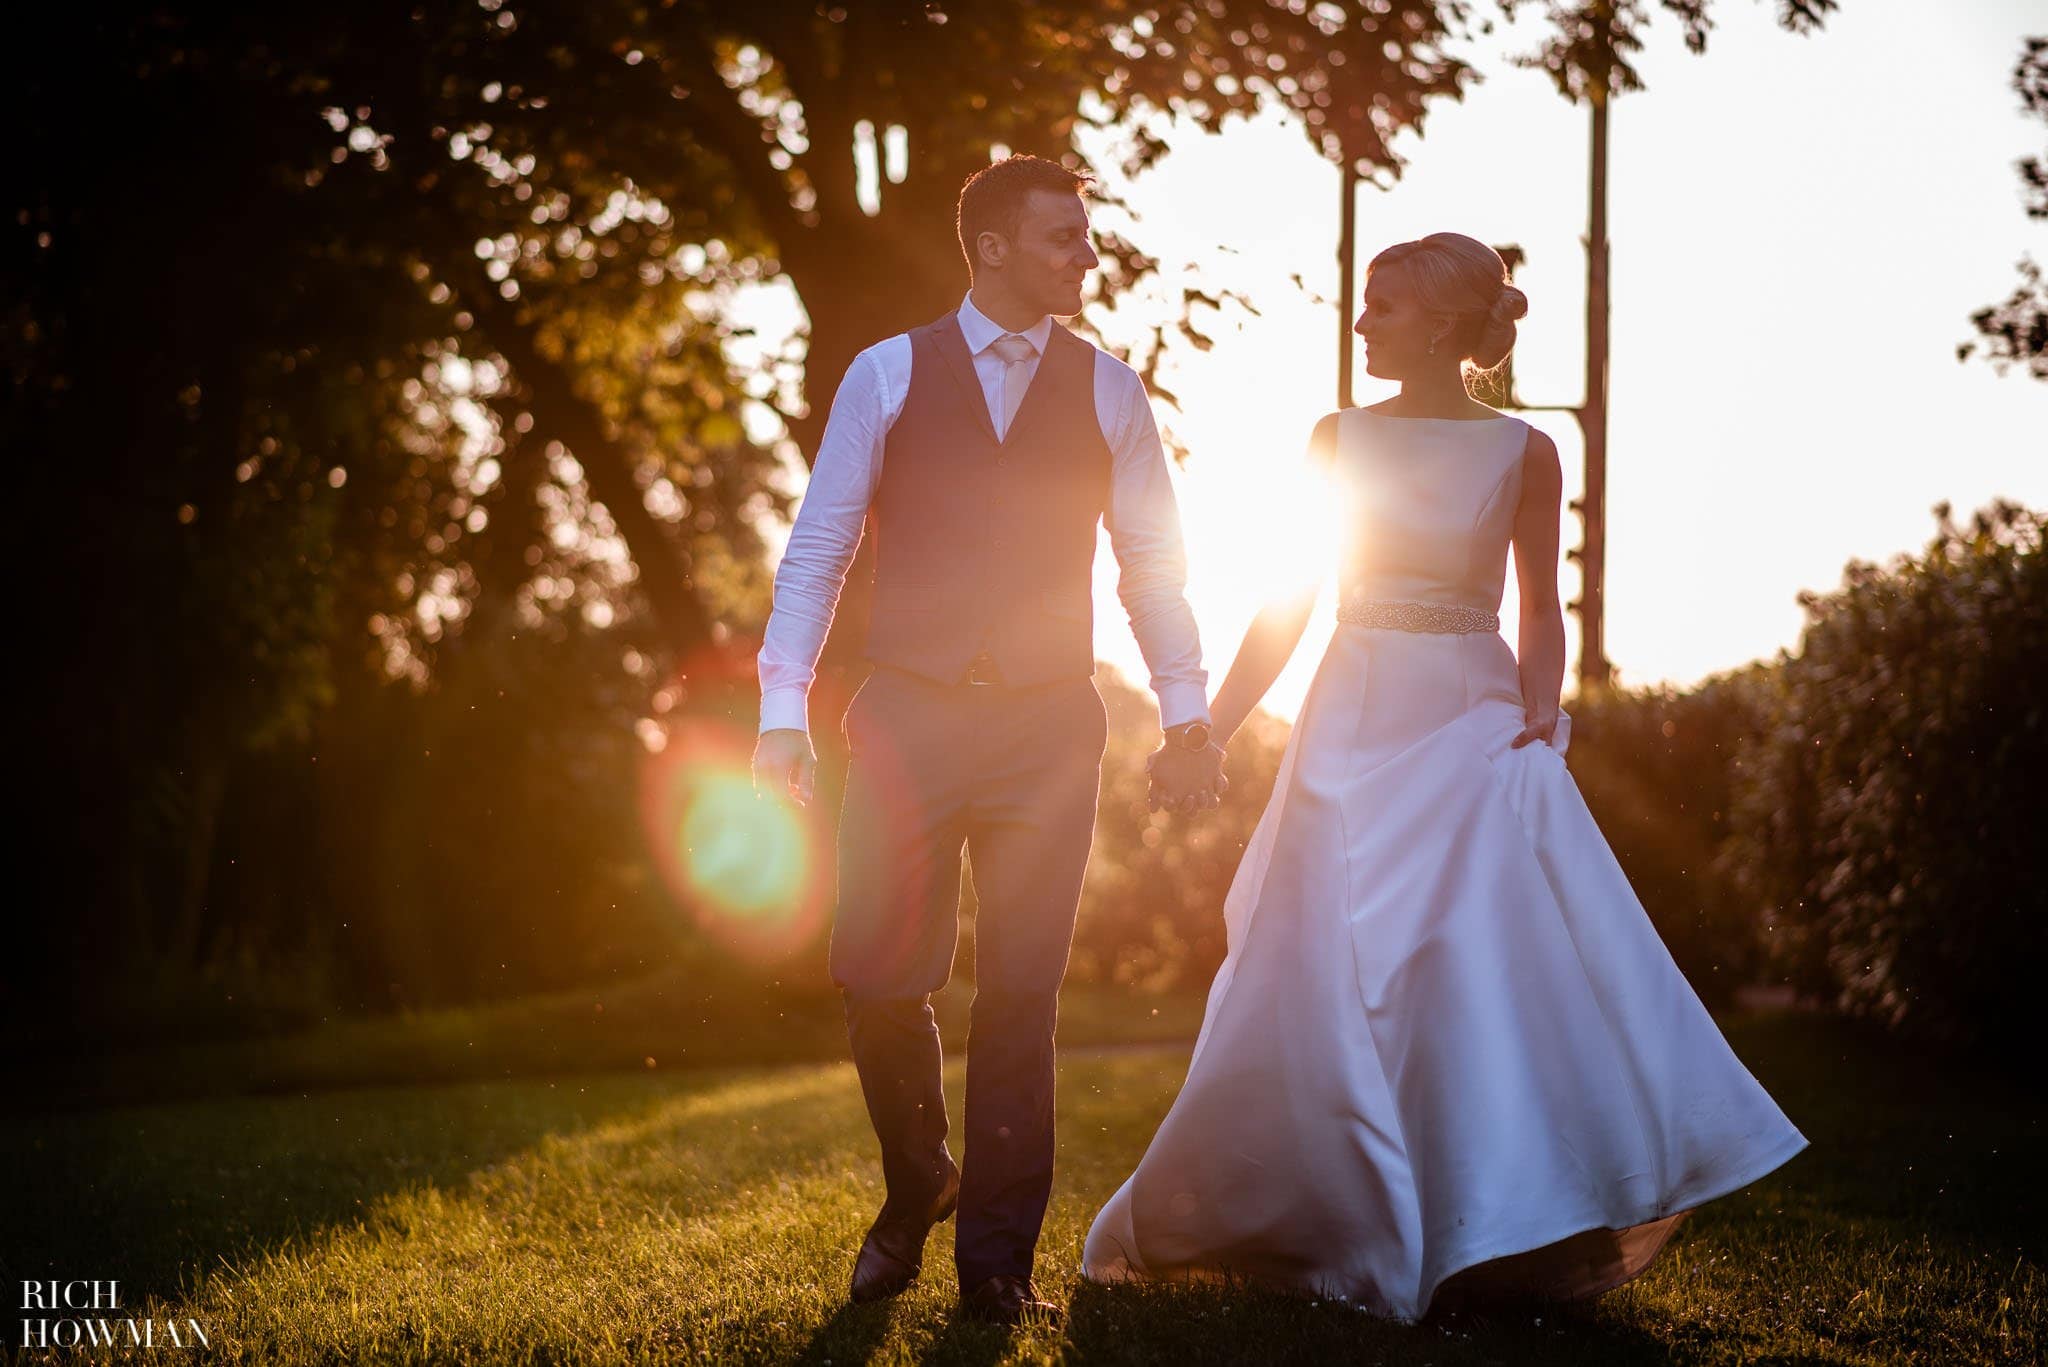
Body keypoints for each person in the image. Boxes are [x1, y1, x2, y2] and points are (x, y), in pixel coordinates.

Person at [1086, 232, 1809, 1321]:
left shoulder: (1524, 450)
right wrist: (1210, 729)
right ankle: (1326, 1216)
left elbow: (1540, 604)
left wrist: (1540, 714)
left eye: (1378, 306)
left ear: (1433, 323)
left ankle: (1479, 1217)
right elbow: (1288, 600)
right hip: (1348, 720)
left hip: (1470, 721)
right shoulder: (1335, 437)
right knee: (1319, 962)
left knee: (1455, 970)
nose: (1361, 321)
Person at [751, 154, 1226, 1325]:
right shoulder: (886, 373)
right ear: (995, 247)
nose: (1085, 253)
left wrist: (1185, 711)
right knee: (876, 975)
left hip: (1047, 730)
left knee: (1020, 996)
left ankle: (996, 1261)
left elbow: (1153, 566)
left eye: (1085, 234)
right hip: (906, 716)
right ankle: (921, 1178)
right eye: (1063, 236)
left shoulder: (1113, 391)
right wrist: (780, 715)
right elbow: (817, 550)